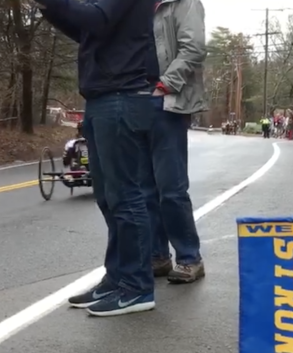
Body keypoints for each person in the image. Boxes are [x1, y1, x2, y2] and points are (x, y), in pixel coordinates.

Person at [40, 0, 159, 317]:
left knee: (126, 196)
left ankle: (137, 287)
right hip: (103, 96)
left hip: (121, 96)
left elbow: (95, 19)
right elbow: (86, 30)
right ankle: (118, 278)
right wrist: (47, 8)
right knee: (108, 197)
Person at [148, 0, 207, 284]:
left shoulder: (184, 4)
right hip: (136, 99)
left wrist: (166, 84)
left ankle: (189, 258)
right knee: (145, 187)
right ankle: (157, 256)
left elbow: (193, 47)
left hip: (167, 101)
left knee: (170, 188)